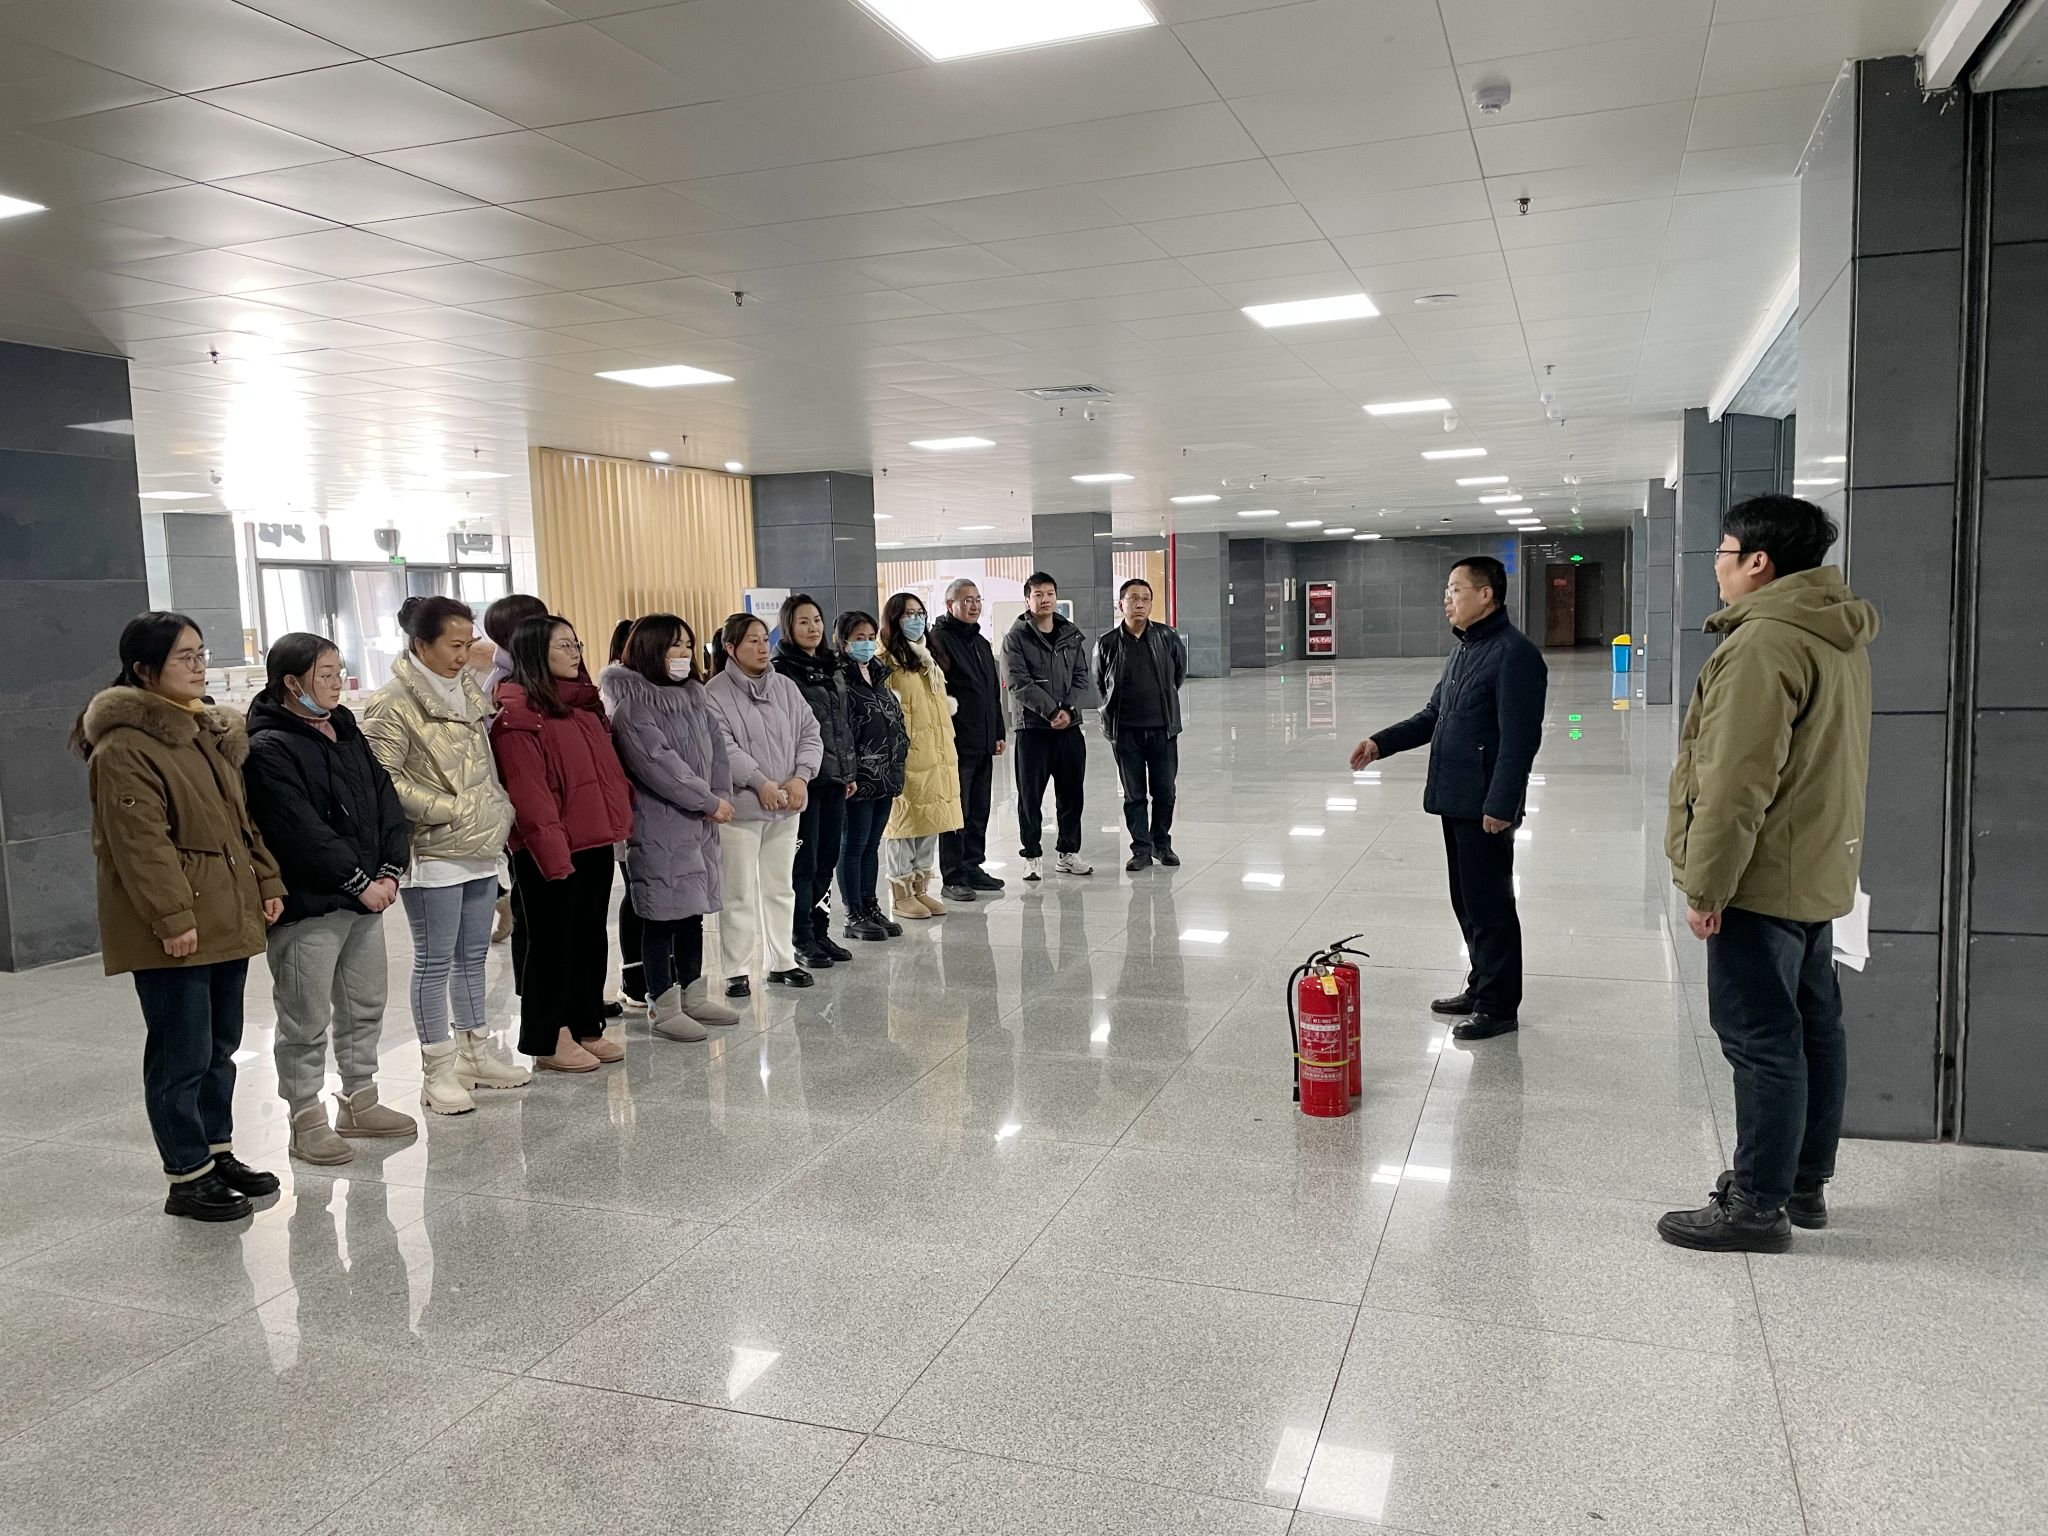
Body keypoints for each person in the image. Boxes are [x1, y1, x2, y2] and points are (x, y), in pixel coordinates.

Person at [1658, 496, 1876, 1254]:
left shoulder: (1763, 644)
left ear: (1758, 561)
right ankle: (1801, 1182)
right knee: (1815, 1027)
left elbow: (1735, 783)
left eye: (1723, 552)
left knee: (1760, 1039)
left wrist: (1707, 886)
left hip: (1760, 875)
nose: (1716, 566)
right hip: (1814, 866)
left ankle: (1756, 1205)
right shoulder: (1834, 632)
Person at [74, 612, 287, 1222]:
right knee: (180, 1052)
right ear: (145, 670)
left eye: (201, 654)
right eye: (184, 657)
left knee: (220, 1045)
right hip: (178, 920)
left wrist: (266, 879)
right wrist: (171, 916)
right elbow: (139, 843)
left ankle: (216, 1152)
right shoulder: (124, 746)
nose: (198, 667)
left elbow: (239, 822)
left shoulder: (201, 729)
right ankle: (187, 1175)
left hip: (224, 908)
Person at [1349, 556, 1546, 1042]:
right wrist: (1380, 743)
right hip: (1456, 795)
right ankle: (1481, 985)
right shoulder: (1465, 650)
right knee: (1467, 900)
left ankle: (1499, 1006)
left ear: (1486, 595)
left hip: (1484, 805)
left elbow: (1520, 739)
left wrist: (1501, 804)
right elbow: (1433, 715)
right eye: (1447, 590)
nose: (1447, 598)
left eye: (1456, 589)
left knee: (1491, 905)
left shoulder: (1514, 654)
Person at [244, 632, 417, 1165]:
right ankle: (305, 1118)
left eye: (339, 671)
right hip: (311, 904)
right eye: (325, 674)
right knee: (305, 1018)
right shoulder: (268, 745)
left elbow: (385, 800)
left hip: (365, 897)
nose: (337, 682)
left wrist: (388, 870)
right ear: (290, 682)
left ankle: (360, 1101)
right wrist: (359, 882)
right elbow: (298, 830)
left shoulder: (345, 728)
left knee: (365, 1005)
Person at [363, 596, 527, 1112]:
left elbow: (484, 764)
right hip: (432, 849)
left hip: (480, 842)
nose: (463, 655)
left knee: (472, 956)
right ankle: (436, 1069)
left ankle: (475, 1053)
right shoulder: (392, 702)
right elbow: (382, 780)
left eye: (468, 643)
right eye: (453, 645)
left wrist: (494, 809)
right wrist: (452, 810)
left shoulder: (466, 690)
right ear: (420, 645)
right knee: (435, 962)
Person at [492, 614, 636, 1071]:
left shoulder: (582, 705)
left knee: (590, 937)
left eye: (576, 645)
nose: (575, 653)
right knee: (552, 942)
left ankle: (586, 1024)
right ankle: (548, 1037)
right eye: (563, 646)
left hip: (592, 841)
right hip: (548, 849)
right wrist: (553, 855)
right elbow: (529, 794)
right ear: (536, 652)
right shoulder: (517, 714)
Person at [600, 615, 742, 1041]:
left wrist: (720, 796)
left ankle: (693, 995)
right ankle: (662, 1005)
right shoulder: (633, 707)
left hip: (700, 822)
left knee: (692, 915)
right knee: (661, 919)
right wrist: (708, 801)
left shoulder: (695, 697)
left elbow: (718, 753)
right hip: (660, 826)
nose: (683, 653)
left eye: (687, 645)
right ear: (649, 650)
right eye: (673, 645)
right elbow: (660, 767)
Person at [704, 613, 823, 996]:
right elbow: (723, 747)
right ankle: (736, 969)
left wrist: (801, 776)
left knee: (780, 886)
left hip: (786, 806)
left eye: (763, 639)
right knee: (738, 892)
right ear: (730, 648)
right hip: (741, 809)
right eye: (751, 641)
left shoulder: (785, 686)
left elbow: (810, 732)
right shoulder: (714, 693)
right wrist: (760, 782)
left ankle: (782, 960)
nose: (761, 648)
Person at [774, 594, 858, 970]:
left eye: (817, 620)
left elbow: (843, 724)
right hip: (803, 782)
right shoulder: (781, 672)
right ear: (789, 627)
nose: (813, 628)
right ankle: (801, 936)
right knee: (803, 864)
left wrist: (848, 772)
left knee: (827, 859)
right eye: (803, 621)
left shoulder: (831, 666)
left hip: (834, 778)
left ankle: (821, 930)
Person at [1002, 572, 1093, 880]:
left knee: (1072, 795)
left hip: (1069, 728)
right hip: (1032, 730)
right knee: (1030, 797)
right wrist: (1052, 711)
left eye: (1050, 593)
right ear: (1027, 600)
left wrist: (1068, 710)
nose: (1045, 599)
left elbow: (1081, 676)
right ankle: (1031, 856)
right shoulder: (1015, 638)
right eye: (1038, 594)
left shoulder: (1071, 635)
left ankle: (1068, 853)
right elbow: (1018, 682)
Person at [1096, 577, 1189, 873]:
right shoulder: (1107, 642)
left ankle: (1162, 843)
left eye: (1145, 599)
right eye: (1133, 599)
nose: (1139, 604)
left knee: (1165, 791)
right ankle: (1141, 849)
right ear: (1120, 604)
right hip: (1125, 731)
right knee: (1134, 795)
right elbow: (1101, 684)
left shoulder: (1167, 637)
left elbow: (1178, 675)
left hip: (1163, 728)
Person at [881, 591, 964, 919]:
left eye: (920, 613)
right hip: (906, 756)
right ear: (894, 619)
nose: (916, 619)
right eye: (908, 614)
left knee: (931, 820)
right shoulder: (886, 659)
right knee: (904, 824)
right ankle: (901, 895)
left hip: (936, 753)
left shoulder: (929, 657)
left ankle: (920, 888)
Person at [928, 578, 1007, 901]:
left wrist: (998, 732)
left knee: (978, 809)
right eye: (966, 600)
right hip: (956, 742)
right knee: (955, 812)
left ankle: (973, 865)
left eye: (977, 599)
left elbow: (991, 692)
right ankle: (953, 876)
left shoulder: (981, 642)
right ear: (950, 605)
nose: (974, 605)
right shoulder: (939, 641)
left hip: (983, 741)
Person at [837, 611, 909, 942]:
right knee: (854, 845)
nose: (866, 644)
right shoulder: (839, 679)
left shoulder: (878, 675)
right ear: (843, 642)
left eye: (870, 638)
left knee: (871, 846)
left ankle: (870, 906)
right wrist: (848, 772)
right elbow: (840, 731)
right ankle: (854, 914)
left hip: (885, 775)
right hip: (858, 778)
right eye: (858, 639)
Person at [607, 618, 648, 1013]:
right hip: (629, 811)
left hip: (666, 815)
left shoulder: (666, 691)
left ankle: (661, 974)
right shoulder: (613, 696)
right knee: (636, 892)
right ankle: (633, 978)